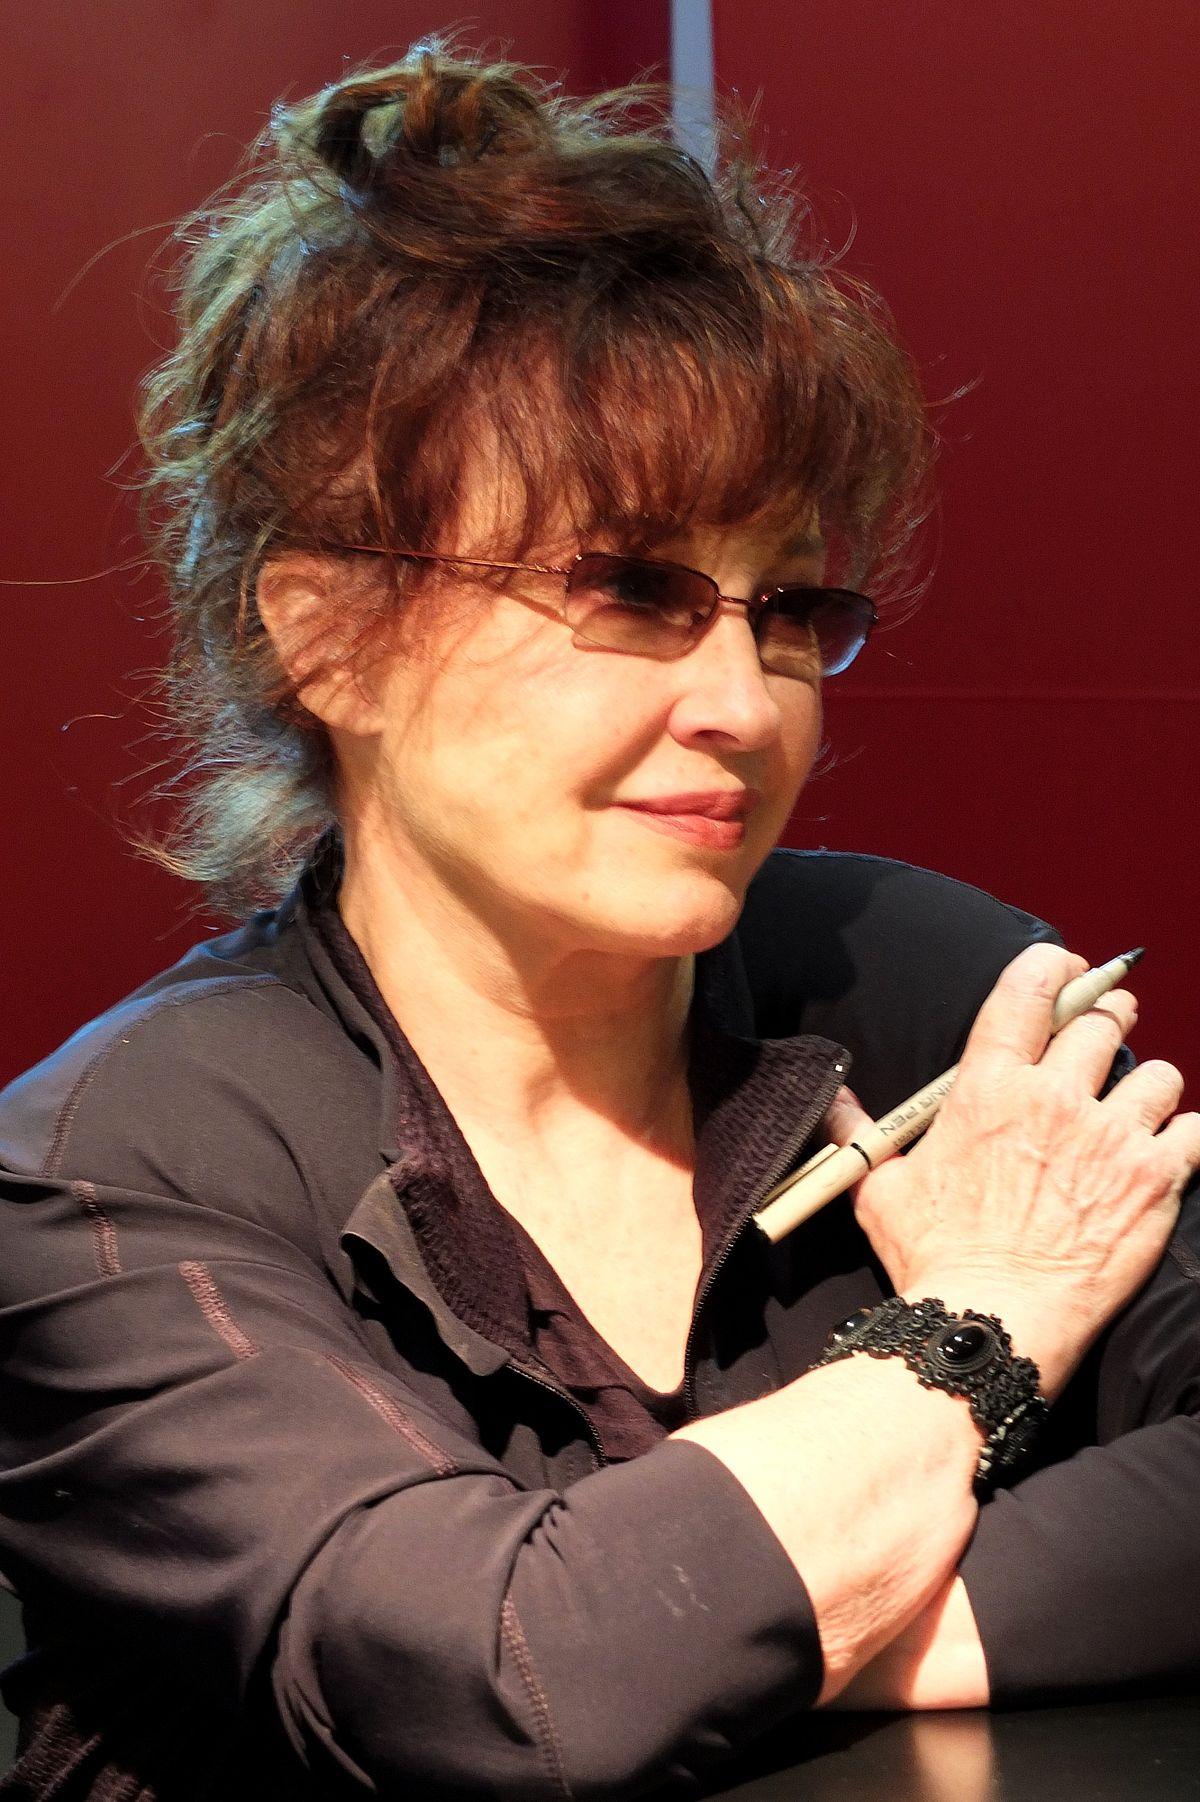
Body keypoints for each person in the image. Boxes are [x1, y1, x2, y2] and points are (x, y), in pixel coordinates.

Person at [1, 41, 1198, 1802]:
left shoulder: (922, 987)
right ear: (326, 637)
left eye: (785, 607)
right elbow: (504, 1680)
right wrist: (984, 1312)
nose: (742, 702)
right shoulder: (115, 1171)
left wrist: (783, 1636)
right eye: (631, 590)